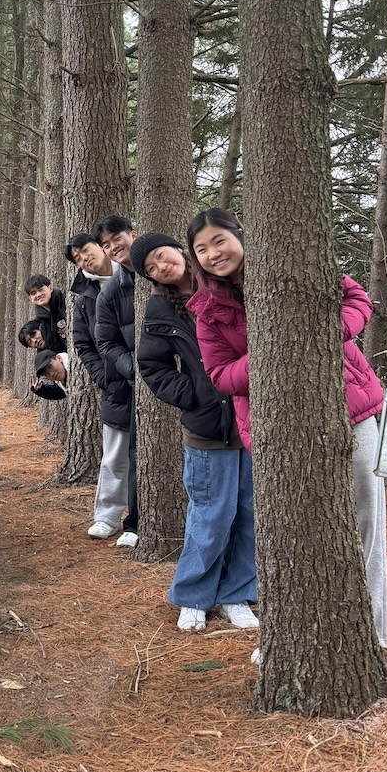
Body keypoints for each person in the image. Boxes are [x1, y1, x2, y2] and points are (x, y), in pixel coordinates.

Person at [186, 207, 387, 647]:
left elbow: (356, 298)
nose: (213, 253)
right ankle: (292, 641)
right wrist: (274, 351)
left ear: (241, 233)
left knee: (364, 524)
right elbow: (220, 374)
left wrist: (324, 334)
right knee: (292, 533)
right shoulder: (207, 311)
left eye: (219, 240)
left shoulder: (294, 265)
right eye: (201, 249)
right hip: (275, 428)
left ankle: (371, 637)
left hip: (348, 410)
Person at [132, 232, 257, 633]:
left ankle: (237, 594)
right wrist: (197, 395)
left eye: (161, 255)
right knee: (210, 514)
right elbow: (152, 367)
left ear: (178, 249)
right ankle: (193, 596)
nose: (161, 266)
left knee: (248, 513)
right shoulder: (159, 309)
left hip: (252, 417)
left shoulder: (227, 283)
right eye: (151, 268)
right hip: (207, 426)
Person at [65, 231, 131, 543]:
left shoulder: (135, 276)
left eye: (86, 250)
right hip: (114, 386)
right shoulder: (84, 300)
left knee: (151, 451)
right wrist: (103, 377)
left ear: (101, 247)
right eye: (78, 258)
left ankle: (141, 519)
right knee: (114, 456)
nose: (85, 259)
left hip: (155, 377)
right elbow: (83, 345)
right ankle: (107, 517)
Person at [93, 216, 139, 548]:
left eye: (116, 239)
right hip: (127, 384)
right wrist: (136, 369)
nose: (113, 247)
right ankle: (118, 519)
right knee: (122, 454)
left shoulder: (164, 272)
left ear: (132, 234)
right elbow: (104, 342)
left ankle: (138, 520)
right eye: (106, 245)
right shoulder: (109, 292)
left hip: (179, 383)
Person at [24, 274, 67, 352]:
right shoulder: (41, 323)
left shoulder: (66, 302)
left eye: (40, 289)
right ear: (30, 299)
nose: (38, 295)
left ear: (50, 288)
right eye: (33, 293)